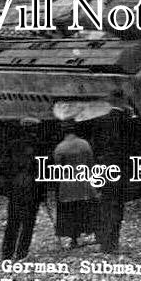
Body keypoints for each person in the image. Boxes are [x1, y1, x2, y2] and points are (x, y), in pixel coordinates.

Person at [50, 121, 99, 248]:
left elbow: (58, 169)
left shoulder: (60, 148)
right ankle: (94, 234)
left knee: (71, 211)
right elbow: (90, 163)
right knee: (86, 208)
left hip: (68, 184)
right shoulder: (84, 144)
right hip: (83, 182)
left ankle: (74, 239)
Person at [2, 135, 46, 261]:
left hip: (16, 187)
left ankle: (7, 252)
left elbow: (5, 167)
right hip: (31, 188)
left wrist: (6, 188)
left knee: (13, 222)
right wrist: (42, 192)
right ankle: (21, 251)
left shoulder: (13, 145)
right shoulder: (38, 146)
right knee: (28, 223)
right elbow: (42, 171)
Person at [96, 107, 132, 254]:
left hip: (105, 171)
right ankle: (112, 242)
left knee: (106, 208)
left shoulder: (102, 123)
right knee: (116, 209)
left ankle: (105, 242)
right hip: (118, 173)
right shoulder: (125, 126)